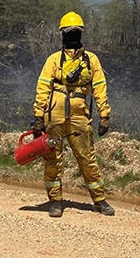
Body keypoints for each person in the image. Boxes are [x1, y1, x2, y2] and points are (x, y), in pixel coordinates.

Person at [31, 11, 115, 218]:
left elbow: (99, 88)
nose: (72, 36)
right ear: (63, 34)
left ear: (81, 33)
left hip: (79, 115)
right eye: (69, 32)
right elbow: (43, 88)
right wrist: (39, 116)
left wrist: (104, 115)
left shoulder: (91, 60)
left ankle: (100, 200)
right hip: (54, 114)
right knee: (52, 158)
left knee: (87, 157)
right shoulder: (53, 60)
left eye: (76, 32)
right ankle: (55, 201)